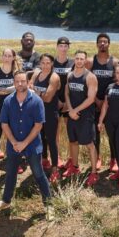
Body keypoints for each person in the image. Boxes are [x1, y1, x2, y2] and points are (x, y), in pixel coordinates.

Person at [0, 70, 52, 221]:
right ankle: (5, 201)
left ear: (28, 82)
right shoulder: (8, 101)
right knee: (10, 174)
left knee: (38, 174)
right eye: (17, 81)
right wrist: (13, 142)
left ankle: (49, 204)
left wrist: (24, 143)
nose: (20, 84)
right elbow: (4, 123)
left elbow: (38, 125)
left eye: (23, 81)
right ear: (14, 82)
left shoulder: (37, 101)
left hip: (32, 146)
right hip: (14, 145)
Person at [63, 50, 99, 187]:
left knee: (89, 144)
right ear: (74, 59)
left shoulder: (90, 77)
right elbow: (67, 93)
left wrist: (76, 110)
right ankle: (75, 167)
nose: (79, 61)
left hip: (85, 116)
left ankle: (94, 172)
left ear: (85, 61)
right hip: (72, 114)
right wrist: (71, 110)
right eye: (77, 58)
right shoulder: (70, 75)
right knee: (73, 142)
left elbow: (91, 99)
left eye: (81, 59)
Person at [86, 33, 119, 171]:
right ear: (97, 44)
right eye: (100, 42)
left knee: (112, 133)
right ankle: (97, 158)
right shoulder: (90, 62)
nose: (103, 44)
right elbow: (85, 82)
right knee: (95, 133)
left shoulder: (115, 62)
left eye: (105, 42)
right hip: (94, 102)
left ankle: (114, 159)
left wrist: (106, 101)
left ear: (109, 44)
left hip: (111, 103)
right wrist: (95, 99)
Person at [30, 54, 61, 183]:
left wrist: (35, 92)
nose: (45, 65)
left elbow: (48, 98)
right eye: (43, 63)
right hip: (37, 112)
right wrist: (38, 93)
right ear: (40, 63)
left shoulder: (54, 77)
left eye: (48, 63)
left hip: (49, 113)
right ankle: (44, 161)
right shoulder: (37, 73)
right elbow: (29, 86)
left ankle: (55, 170)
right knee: (40, 138)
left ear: (52, 63)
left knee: (51, 140)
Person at [0, 48, 18, 177]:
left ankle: (13, 163)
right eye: (5, 55)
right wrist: (9, 89)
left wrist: (1, 89)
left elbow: (17, 88)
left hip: (13, 111)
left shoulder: (16, 74)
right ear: (2, 57)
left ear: (13, 58)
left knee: (13, 138)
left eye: (9, 55)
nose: (7, 58)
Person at [53, 37, 74, 170]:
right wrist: (56, 100)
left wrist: (67, 102)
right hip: (54, 102)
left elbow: (73, 84)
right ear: (57, 47)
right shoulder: (52, 63)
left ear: (68, 48)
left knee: (70, 131)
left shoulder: (72, 63)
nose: (63, 48)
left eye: (66, 46)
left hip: (68, 102)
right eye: (61, 45)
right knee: (55, 131)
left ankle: (71, 158)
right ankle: (57, 157)